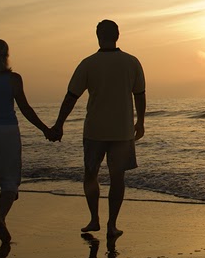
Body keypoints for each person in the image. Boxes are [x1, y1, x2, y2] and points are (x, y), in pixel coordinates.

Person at [52, 19, 146, 239]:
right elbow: (140, 95)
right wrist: (140, 122)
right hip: (122, 131)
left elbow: (71, 97)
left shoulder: (88, 63)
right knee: (117, 178)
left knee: (91, 175)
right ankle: (112, 224)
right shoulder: (132, 62)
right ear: (118, 36)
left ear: (97, 36)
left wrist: (59, 123)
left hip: (94, 130)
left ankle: (94, 219)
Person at [0, 39, 51, 243]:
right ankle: (1, 218)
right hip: (8, 132)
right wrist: (45, 129)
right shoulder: (13, 79)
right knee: (10, 180)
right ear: (6, 55)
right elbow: (25, 108)